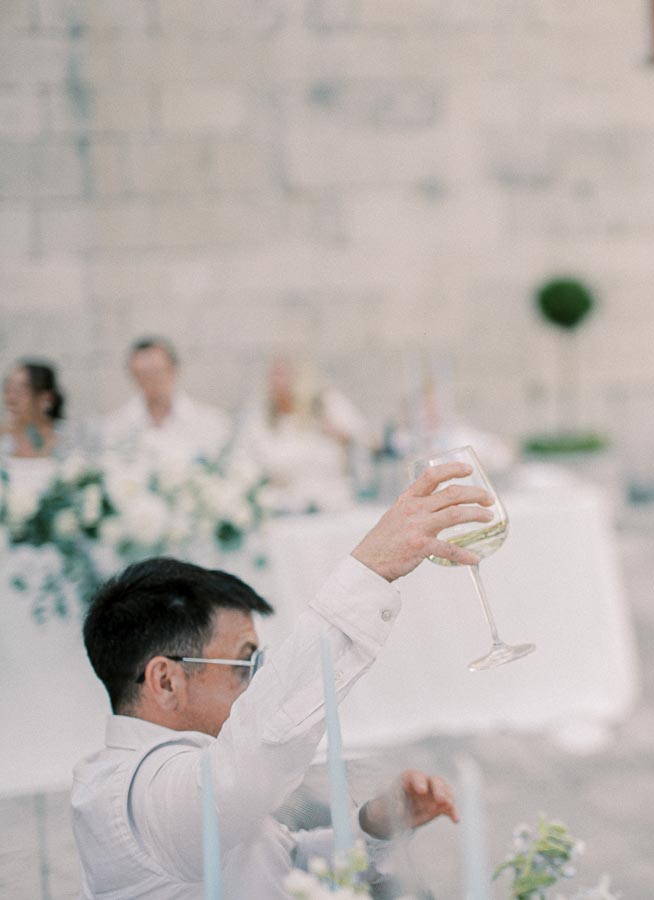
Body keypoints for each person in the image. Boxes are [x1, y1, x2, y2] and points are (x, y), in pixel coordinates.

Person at [73, 459, 497, 897]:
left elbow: (281, 864)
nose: (257, 683)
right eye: (245, 663)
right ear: (165, 682)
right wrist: (370, 571)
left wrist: (376, 826)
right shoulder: (133, 797)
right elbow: (248, 761)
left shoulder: (179, 777)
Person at [236, 356, 374, 514]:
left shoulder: (326, 404)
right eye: (273, 375)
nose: (278, 382)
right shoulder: (261, 421)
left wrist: (342, 435)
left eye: (283, 374)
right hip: (284, 507)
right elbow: (248, 462)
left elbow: (368, 441)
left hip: (334, 505)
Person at [102, 336, 232, 467]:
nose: (151, 380)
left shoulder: (210, 422)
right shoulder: (116, 426)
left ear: (173, 370)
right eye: (143, 374)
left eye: (157, 371)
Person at [2, 359, 66, 460]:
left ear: (46, 399)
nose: (10, 399)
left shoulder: (66, 439)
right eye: (8, 389)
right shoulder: (4, 440)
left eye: (20, 391)